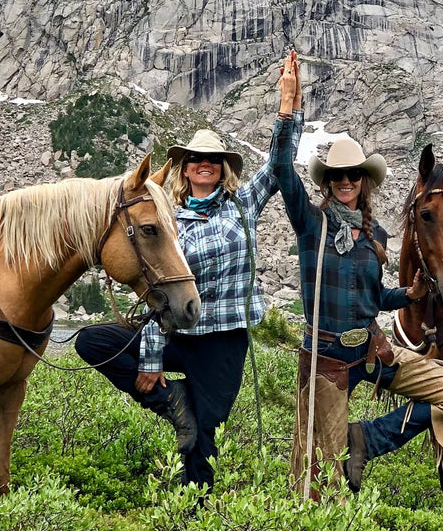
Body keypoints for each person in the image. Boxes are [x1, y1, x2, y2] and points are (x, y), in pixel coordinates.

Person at [275, 56, 443, 512]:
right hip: (326, 357)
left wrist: (408, 296)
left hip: (372, 348)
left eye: (353, 175)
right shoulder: (311, 223)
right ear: (328, 182)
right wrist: (287, 109)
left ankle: (370, 438)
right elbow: (281, 170)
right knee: (324, 472)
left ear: (363, 181)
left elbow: (373, 298)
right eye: (337, 176)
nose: (345, 182)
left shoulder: (374, 234)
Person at [75, 53, 302, 489]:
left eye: (213, 159)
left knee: (203, 433)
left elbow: (277, 167)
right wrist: (151, 361)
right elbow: (161, 292)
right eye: (196, 157)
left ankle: (194, 505)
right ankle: (170, 401)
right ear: (184, 166)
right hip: (179, 333)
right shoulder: (169, 217)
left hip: (223, 340)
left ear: (223, 169)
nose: (205, 163)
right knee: (92, 341)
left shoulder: (242, 206)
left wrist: (287, 107)